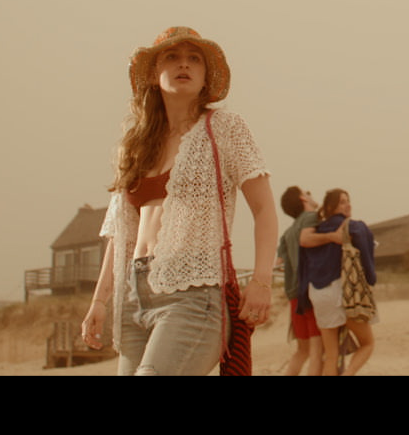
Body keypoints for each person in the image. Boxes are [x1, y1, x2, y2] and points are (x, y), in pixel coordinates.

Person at [80, 26, 278, 376]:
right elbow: (119, 231)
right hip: (133, 294)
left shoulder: (226, 128)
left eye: (194, 59)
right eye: (171, 57)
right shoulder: (136, 144)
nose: (183, 64)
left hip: (193, 293)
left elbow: (263, 210)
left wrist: (262, 281)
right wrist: (99, 301)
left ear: (205, 78)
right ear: (156, 74)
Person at [298, 189, 377, 375]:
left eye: (348, 200)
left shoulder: (315, 232)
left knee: (331, 356)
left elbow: (304, 267)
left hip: (318, 295)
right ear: (332, 206)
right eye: (343, 202)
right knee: (367, 344)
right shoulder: (354, 227)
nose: (348, 205)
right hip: (344, 294)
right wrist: (372, 280)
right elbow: (368, 264)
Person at [275, 186, 345, 375]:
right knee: (317, 351)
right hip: (308, 293)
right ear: (302, 198)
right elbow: (307, 240)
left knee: (302, 351)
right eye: (307, 193)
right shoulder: (310, 217)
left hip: (293, 295)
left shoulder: (287, 233)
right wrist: (332, 237)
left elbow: (279, 263)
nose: (310, 195)